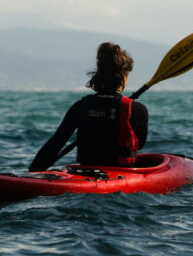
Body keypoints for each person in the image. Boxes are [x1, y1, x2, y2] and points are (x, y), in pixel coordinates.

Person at [29, 42, 148, 171]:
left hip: (84, 171)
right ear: (124, 76)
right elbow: (139, 145)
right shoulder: (136, 109)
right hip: (119, 174)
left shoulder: (81, 106)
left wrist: (32, 172)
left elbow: (56, 143)